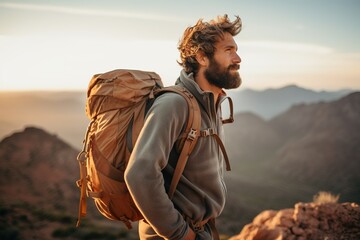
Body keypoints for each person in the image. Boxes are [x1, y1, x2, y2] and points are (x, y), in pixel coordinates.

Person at [125, 14, 242, 240]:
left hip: (200, 230)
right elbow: (140, 173)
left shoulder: (211, 103)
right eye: (229, 50)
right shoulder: (175, 104)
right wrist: (181, 233)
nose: (238, 58)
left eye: (236, 50)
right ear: (201, 57)